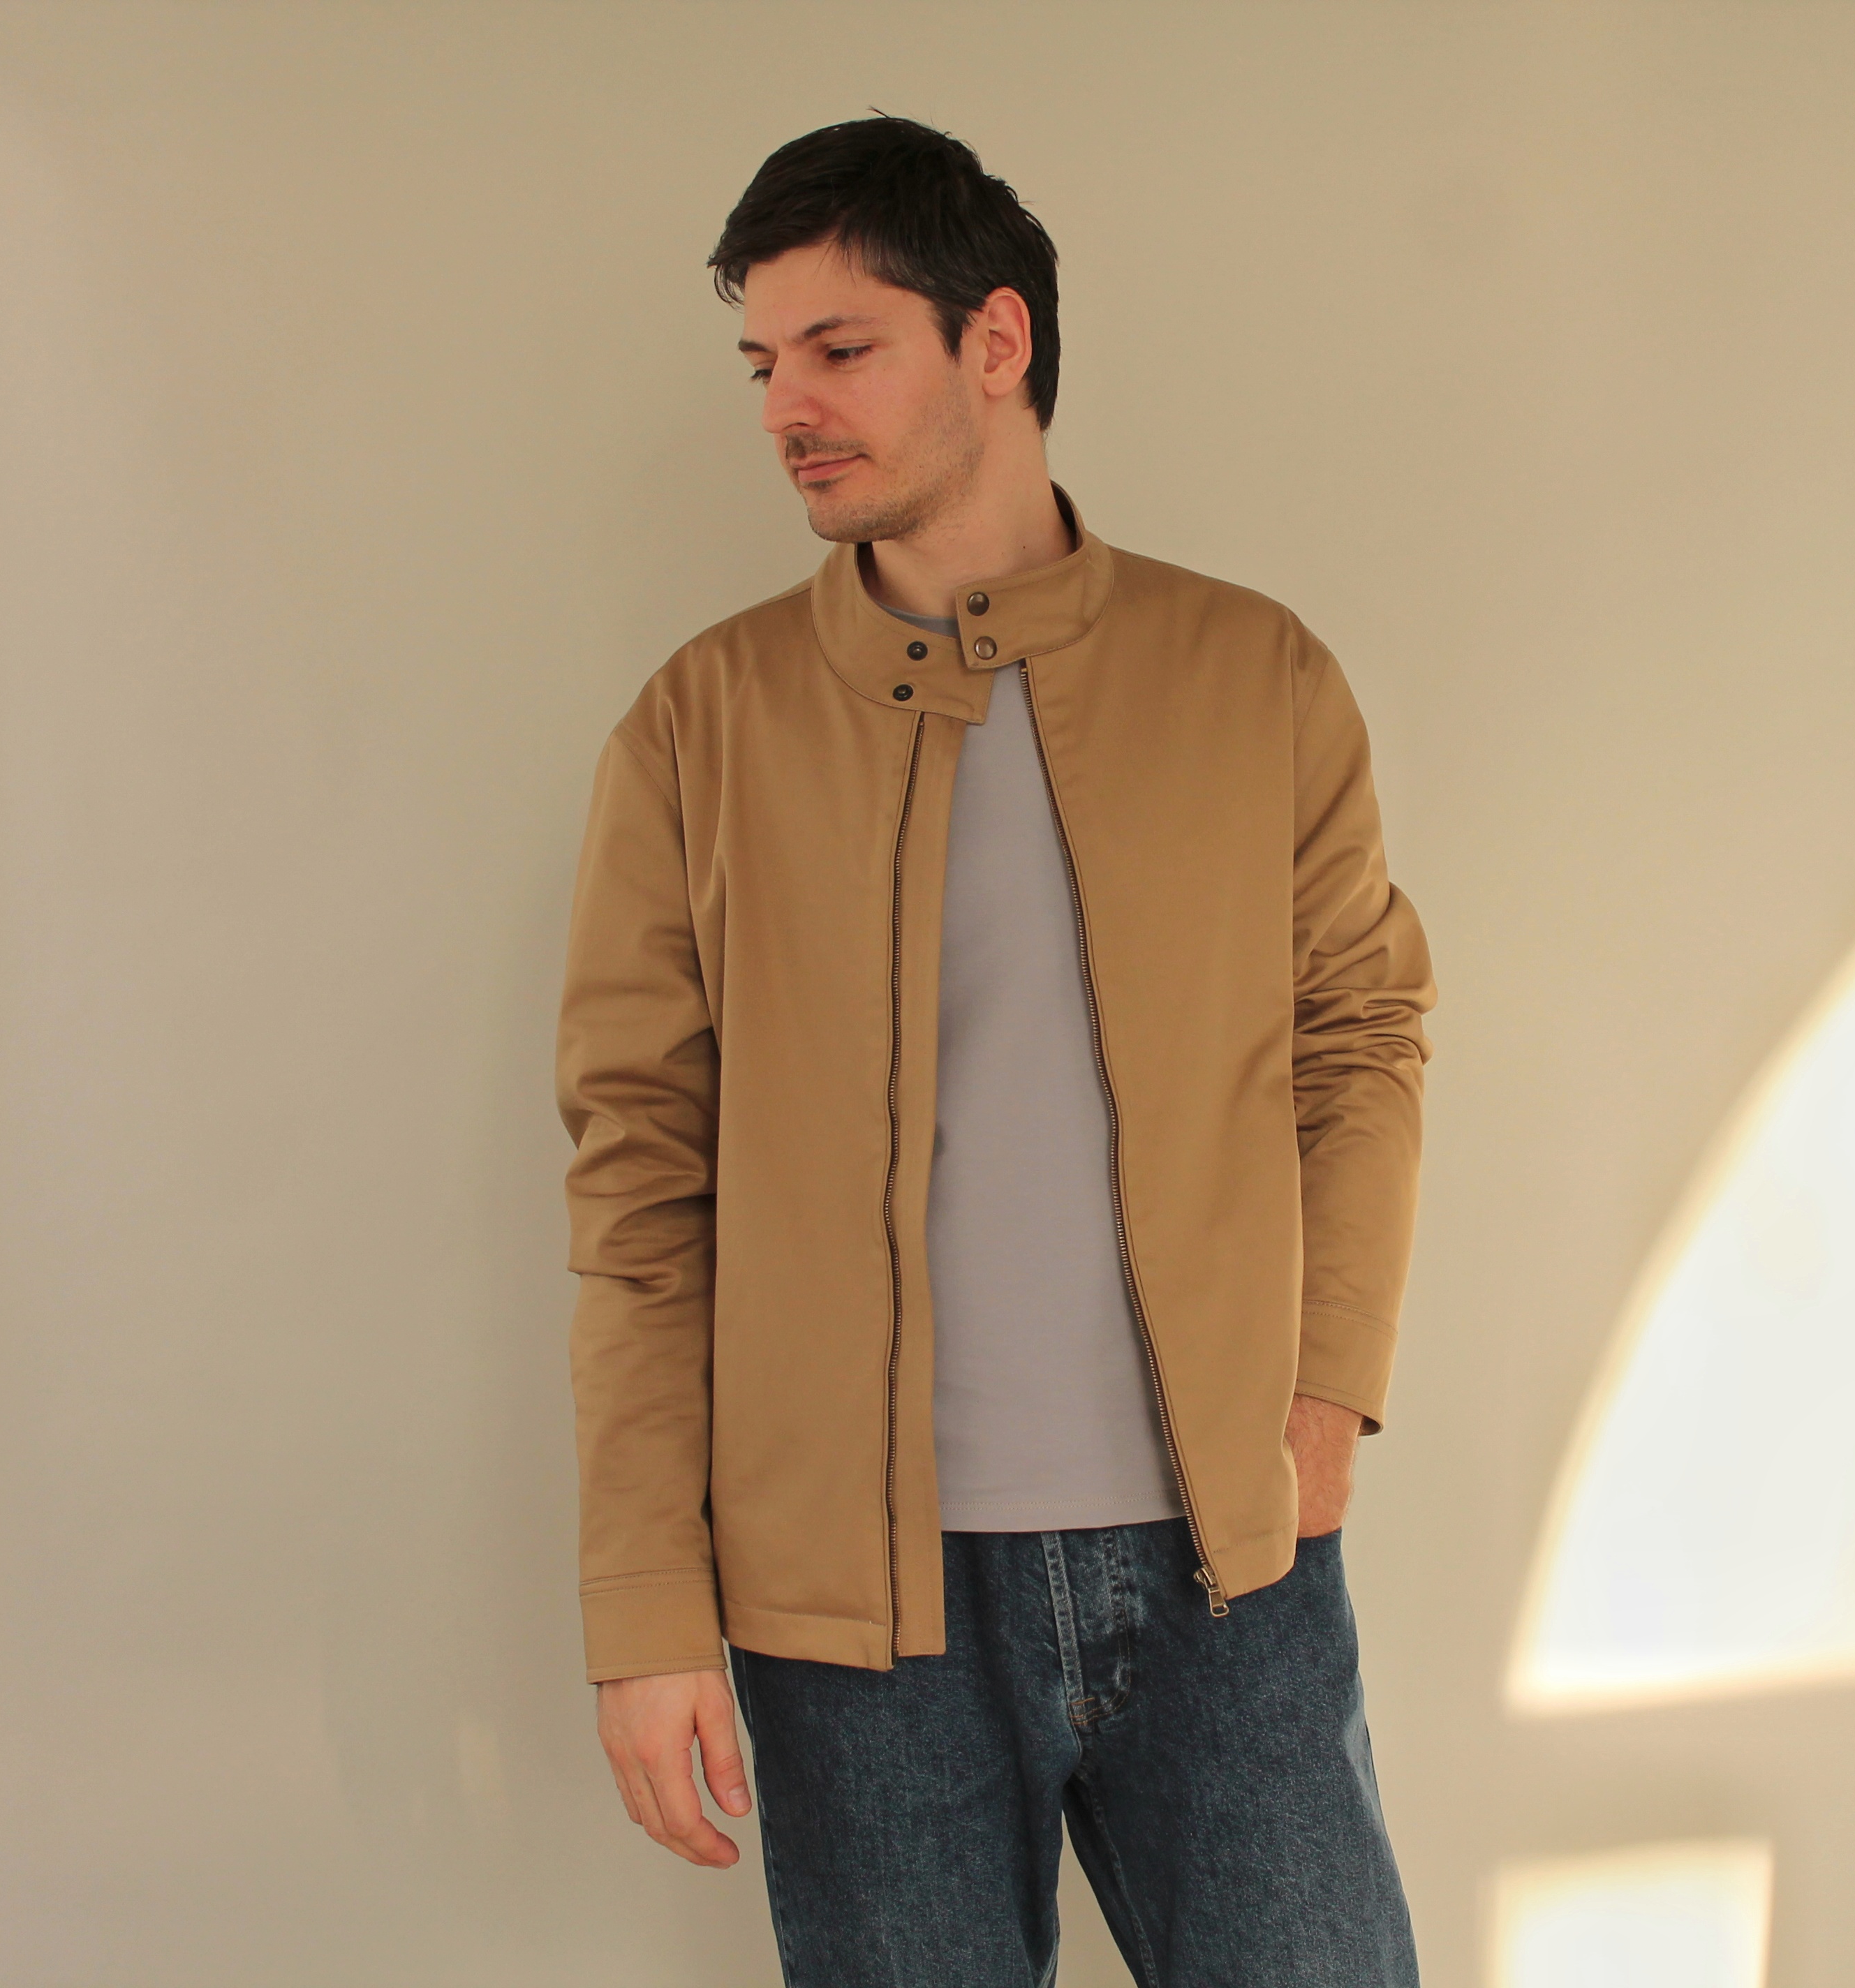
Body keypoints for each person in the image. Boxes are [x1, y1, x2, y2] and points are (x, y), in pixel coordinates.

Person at [554, 113, 1435, 1987]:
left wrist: (1323, 1399)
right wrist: (645, 1604)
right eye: (762, 364)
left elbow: (1360, 1039)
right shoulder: (701, 727)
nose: (787, 407)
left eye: (839, 347)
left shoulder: (1252, 675)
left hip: (1227, 1563)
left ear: (996, 342)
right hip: (855, 1619)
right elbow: (640, 1180)